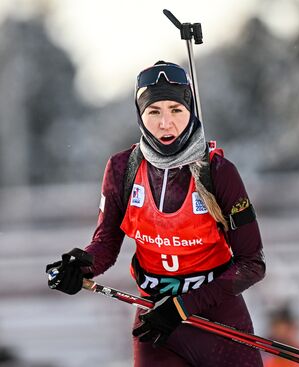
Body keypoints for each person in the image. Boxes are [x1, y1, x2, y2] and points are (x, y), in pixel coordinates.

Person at [46, 61, 266, 366]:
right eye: (154, 112)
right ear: (140, 115)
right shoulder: (123, 168)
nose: (166, 123)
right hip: (156, 324)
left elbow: (252, 265)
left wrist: (182, 307)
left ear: (191, 111)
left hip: (219, 322)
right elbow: (106, 244)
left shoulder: (217, 171)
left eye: (176, 110)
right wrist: (80, 267)